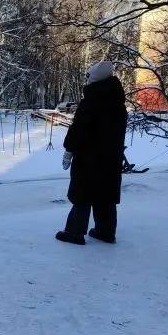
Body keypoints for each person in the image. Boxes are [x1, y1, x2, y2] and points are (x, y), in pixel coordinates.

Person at [56, 61, 128, 245]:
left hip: (89, 157)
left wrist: (69, 150)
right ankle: (106, 232)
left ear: (94, 79)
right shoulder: (118, 102)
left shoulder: (92, 101)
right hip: (111, 158)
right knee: (105, 194)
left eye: (88, 77)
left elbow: (79, 129)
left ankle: (74, 232)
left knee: (83, 193)